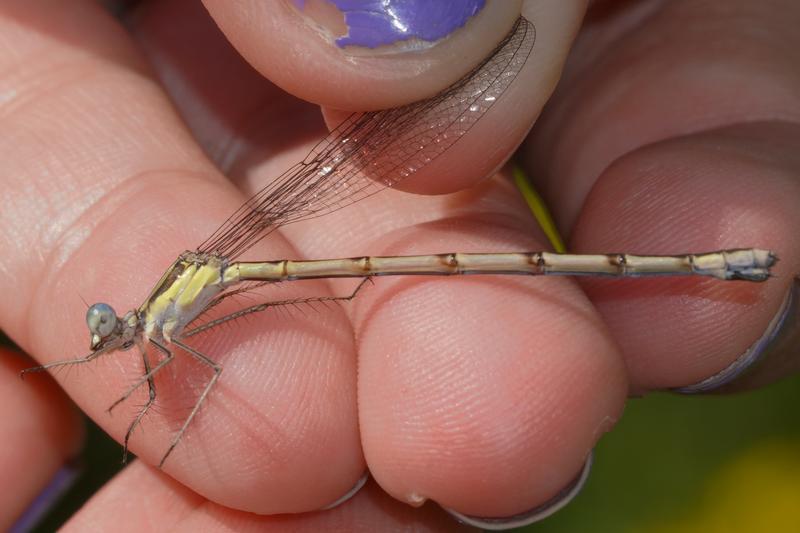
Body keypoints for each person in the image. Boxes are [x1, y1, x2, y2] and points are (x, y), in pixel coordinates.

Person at [1, 0, 797, 530]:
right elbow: (185, 359)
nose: (115, 332)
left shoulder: (169, 319)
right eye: (111, 331)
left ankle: (714, 260)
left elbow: (199, 372)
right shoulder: (164, 322)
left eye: (111, 330)